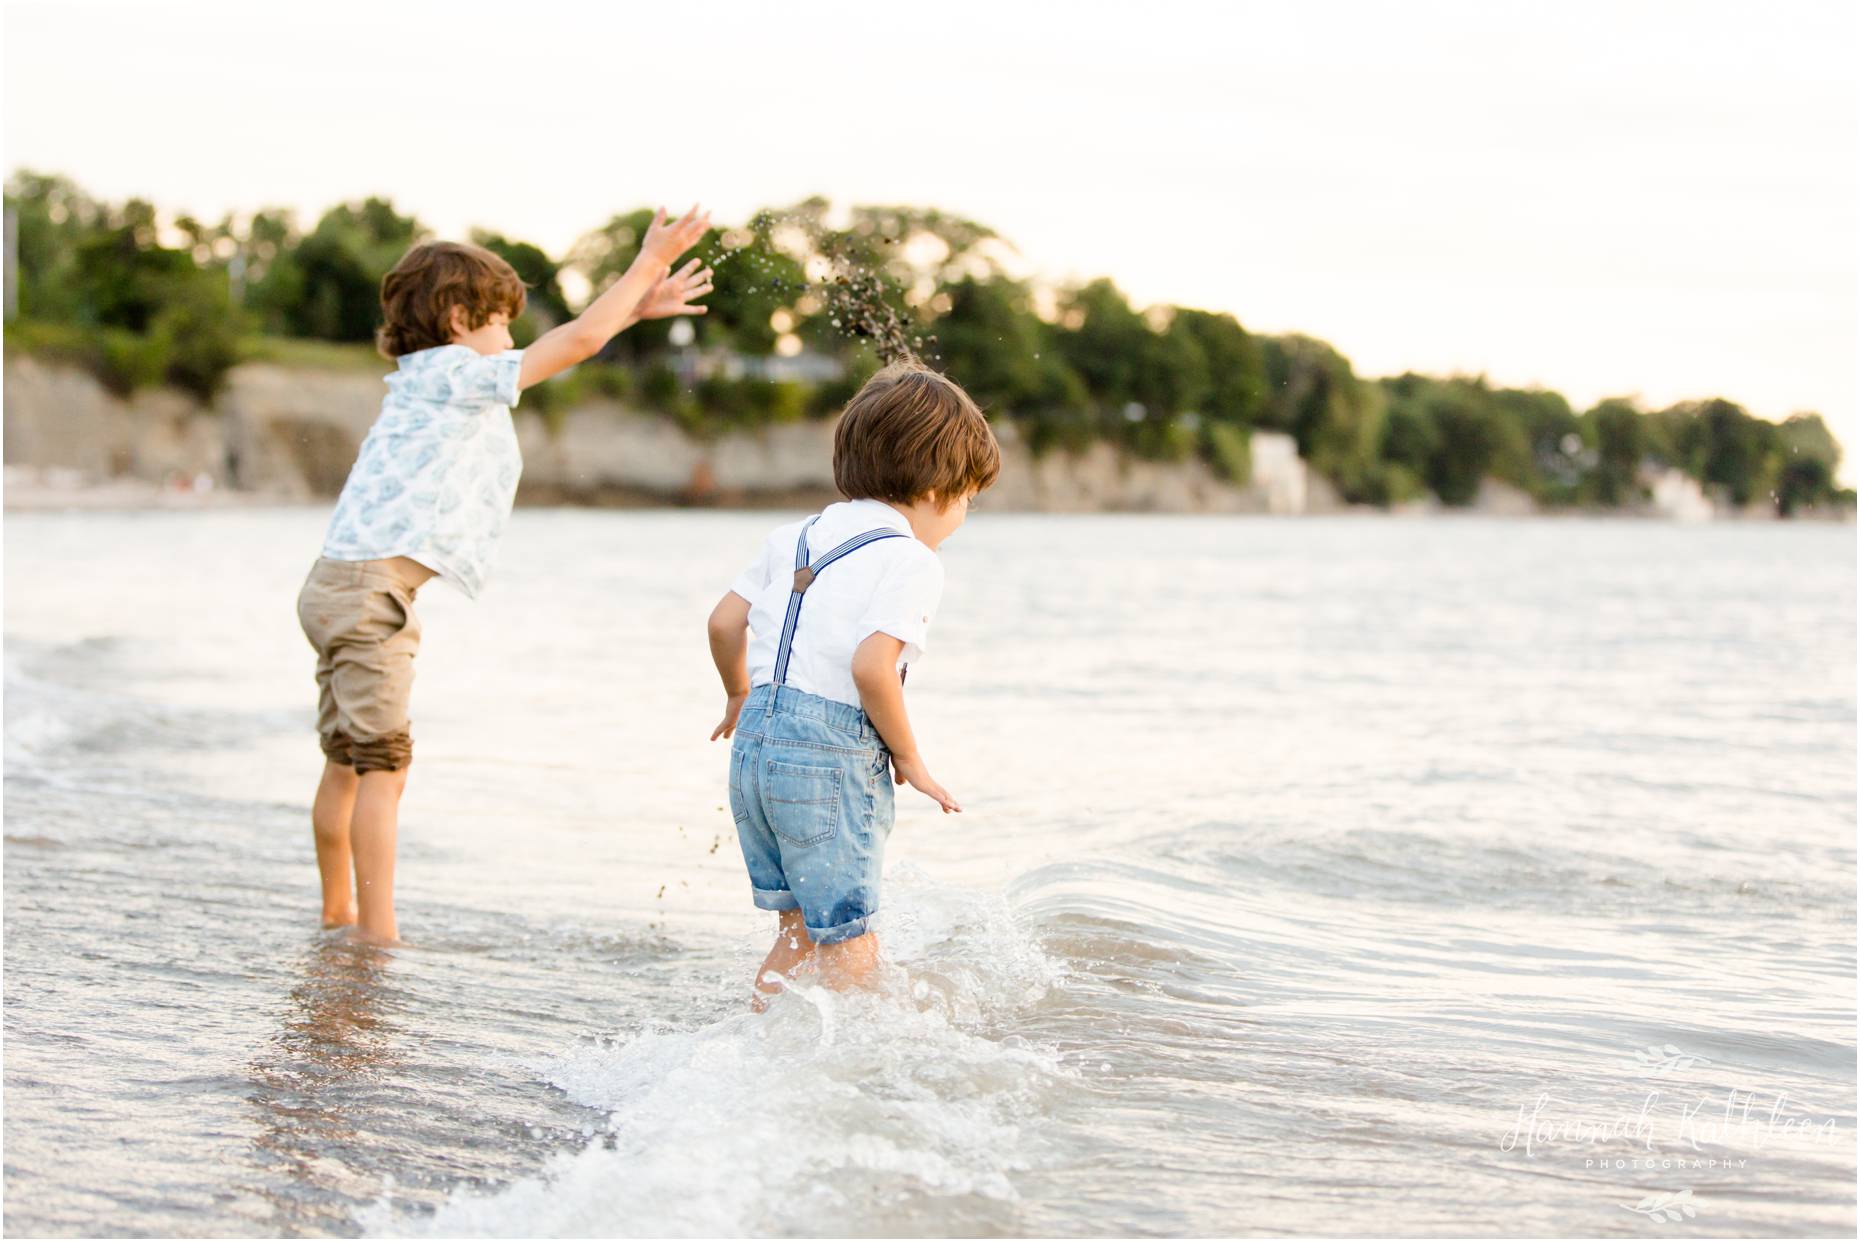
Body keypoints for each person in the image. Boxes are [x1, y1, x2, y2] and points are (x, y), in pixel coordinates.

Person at [297, 208, 714, 944]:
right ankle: (376, 938)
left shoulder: (420, 380)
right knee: (383, 769)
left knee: (346, 763)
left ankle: (340, 913)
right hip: (372, 596)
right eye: (501, 325)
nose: (512, 342)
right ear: (460, 319)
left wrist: (633, 310)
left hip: (336, 585)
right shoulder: (458, 374)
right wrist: (646, 264)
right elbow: (578, 340)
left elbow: (584, 334)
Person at [706, 360, 1001, 1006]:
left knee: (797, 934)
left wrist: (737, 695)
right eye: (968, 500)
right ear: (936, 489)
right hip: (829, 761)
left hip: (754, 751)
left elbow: (725, 623)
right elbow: (872, 668)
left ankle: (762, 1052)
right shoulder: (912, 560)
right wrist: (909, 756)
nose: (962, 517)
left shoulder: (794, 536)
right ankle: (863, 1083)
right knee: (850, 944)